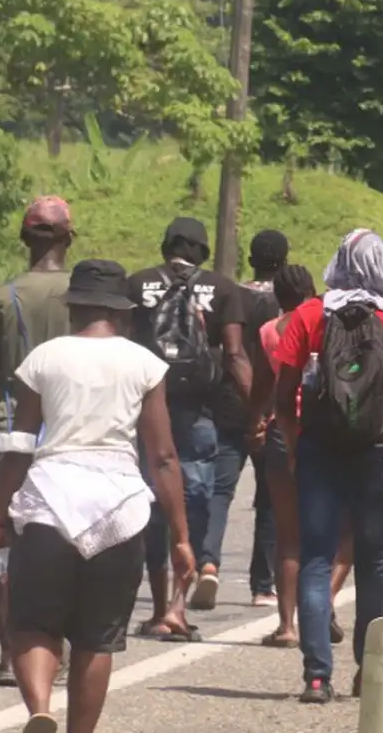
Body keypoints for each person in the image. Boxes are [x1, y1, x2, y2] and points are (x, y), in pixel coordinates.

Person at [0, 259, 191, 733]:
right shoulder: (144, 362)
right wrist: (180, 537)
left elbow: (19, 444)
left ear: (73, 307)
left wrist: (1, 519)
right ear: (121, 314)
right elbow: (162, 457)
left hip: (50, 501)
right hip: (117, 507)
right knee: (97, 639)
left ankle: (40, 708)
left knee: (33, 625)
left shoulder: (44, 357)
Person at [272, 230, 383, 704]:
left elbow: (284, 397)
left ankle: (317, 676)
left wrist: (293, 444)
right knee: (374, 561)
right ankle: (370, 670)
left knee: (317, 559)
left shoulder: (309, 315)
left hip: (319, 450)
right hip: (375, 454)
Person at [128, 218, 253, 643]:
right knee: (191, 504)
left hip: (146, 411)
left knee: (150, 506)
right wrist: (257, 409)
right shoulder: (223, 289)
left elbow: (124, 347)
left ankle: (159, 604)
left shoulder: (138, 283)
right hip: (199, 411)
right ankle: (179, 608)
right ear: (203, 250)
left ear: (166, 246)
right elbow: (235, 354)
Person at [0, 196, 75, 688]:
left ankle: (10, 656)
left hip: (10, 433)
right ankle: (58, 647)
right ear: (68, 238)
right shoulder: (87, 296)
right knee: (66, 543)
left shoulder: (1, 296)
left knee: (3, 546)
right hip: (69, 437)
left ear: (24, 237)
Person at [254, 265, 319, 649]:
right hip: (321, 429)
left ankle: (287, 626)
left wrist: (253, 423)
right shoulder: (327, 324)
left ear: (278, 297)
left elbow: (262, 387)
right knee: (324, 530)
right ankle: (322, 608)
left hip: (283, 430)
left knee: (288, 536)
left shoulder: (269, 332)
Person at [242, 230, 289, 609]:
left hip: (231, 402)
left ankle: (205, 562)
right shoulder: (285, 303)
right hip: (275, 410)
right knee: (271, 499)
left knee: (216, 491)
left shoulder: (234, 295)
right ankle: (263, 582)